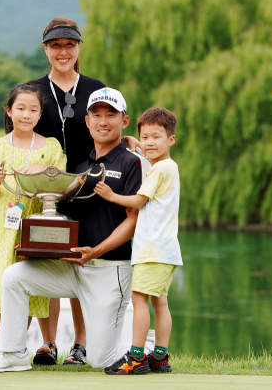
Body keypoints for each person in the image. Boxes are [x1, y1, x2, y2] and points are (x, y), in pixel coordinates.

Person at [0, 87, 148, 373]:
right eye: (96, 115)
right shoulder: (80, 167)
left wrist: (96, 250)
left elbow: (134, 219)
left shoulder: (133, 161)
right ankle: (13, 354)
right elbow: (61, 214)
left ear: (124, 121)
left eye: (111, 115)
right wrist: (39, 245)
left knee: (100, 360)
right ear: (88, 121)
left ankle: (150, 348)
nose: (103, 121)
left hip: (109, 269)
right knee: (14, 276)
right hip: (72, 269)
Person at [0, 83, 67, 371]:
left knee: (27, 284)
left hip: (37, 223)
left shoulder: (50, 146)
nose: (27, 114)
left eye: (33, 109)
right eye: (20, 108)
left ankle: (13, 347)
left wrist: (39, 170)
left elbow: (59, 179)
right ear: (9, 111)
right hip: (3, 225)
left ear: (40, 114)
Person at [93, 107, 182, 375]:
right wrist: (134, 142)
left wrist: (111, 195)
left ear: (171, 140)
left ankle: (136, 357)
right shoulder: (169, 166)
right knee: (160, 302)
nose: (149, 143)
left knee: (139, 300)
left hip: (151, 249)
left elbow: (138, 200)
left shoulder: (158, 170)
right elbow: (146, 151)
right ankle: (160, 356)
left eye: (156, 137)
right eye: (145, 137)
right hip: (165, 250)